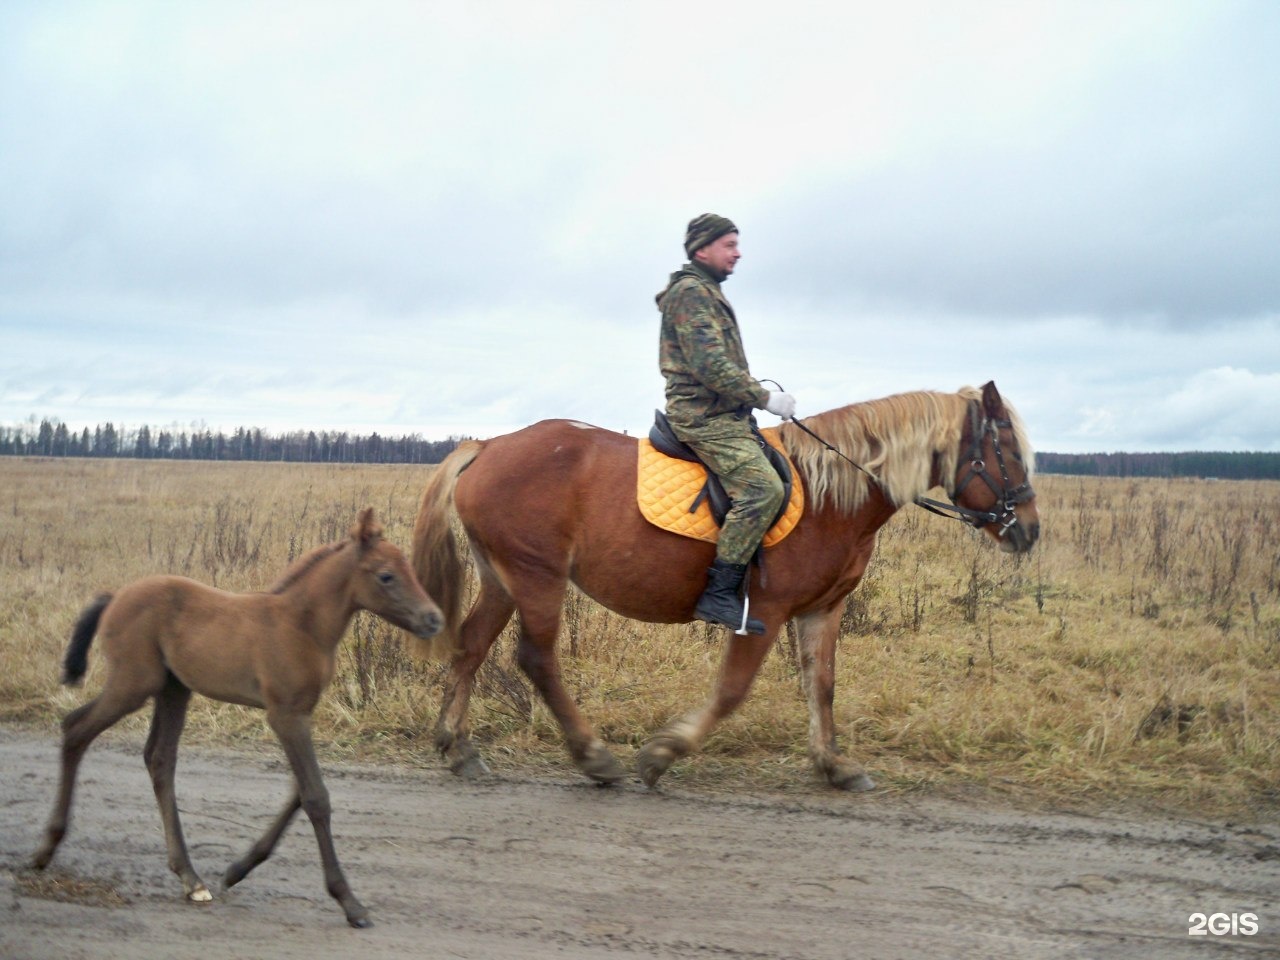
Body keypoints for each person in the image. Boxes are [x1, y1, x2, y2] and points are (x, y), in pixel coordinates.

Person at [655, 213, 797, 635]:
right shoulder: (691, 294)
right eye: (728, 245)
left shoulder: (707, 291)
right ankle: (718, 593)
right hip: (703, 417)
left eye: (737, 244)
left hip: (726, 413)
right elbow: (709, 365)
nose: (737, 253)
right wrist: (764, 397)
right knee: (762, 489)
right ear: (702, 249)